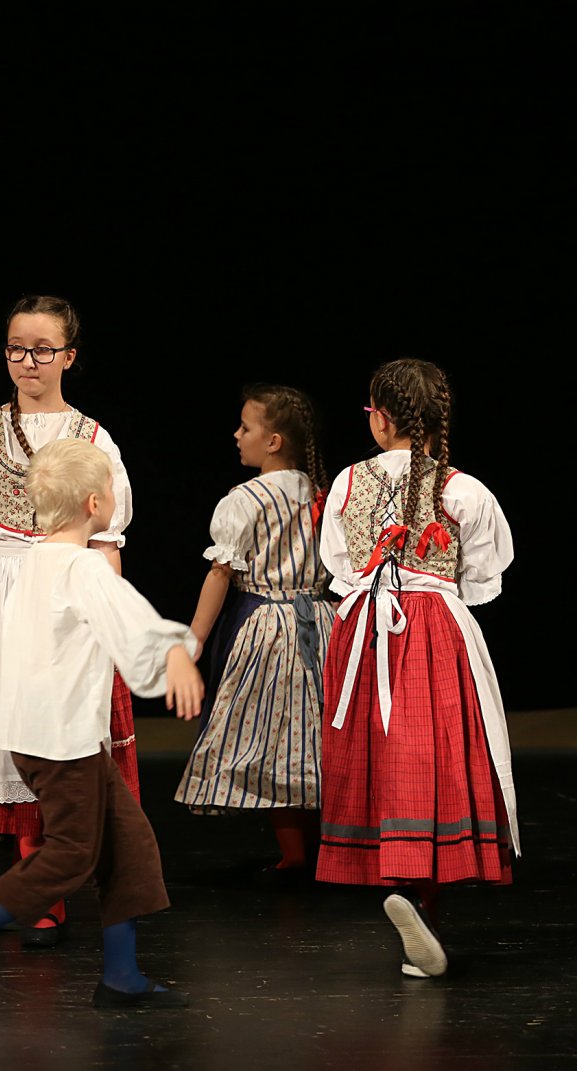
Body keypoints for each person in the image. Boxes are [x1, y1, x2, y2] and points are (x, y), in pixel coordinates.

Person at [0, 438, 201, 1016]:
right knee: (70, 854)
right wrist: (174, 654)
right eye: (111, 490)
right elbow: (128, 618)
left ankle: (121, 975)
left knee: (129, 845)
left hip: (41, 732)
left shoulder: (33, 561)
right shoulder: (81, 567)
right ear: (94, 503)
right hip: (62, 738)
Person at [0, 294, 136, 945]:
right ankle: (35, 886)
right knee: (5, 734)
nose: (28, 361)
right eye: (17, 348)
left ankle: (47, 889)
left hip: (62, 590)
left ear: (69, 356)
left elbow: (106, 541)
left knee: (57, 734)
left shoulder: (93, 439)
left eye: (43, 350)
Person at [315, 358, 514, 979]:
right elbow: (483, 577)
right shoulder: (464, 489)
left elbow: (339, 565)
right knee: (430, 757)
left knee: (382, 756)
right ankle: (425, 898)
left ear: (380, 419)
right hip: (431, 629)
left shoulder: (348, 482)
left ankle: (400, 885)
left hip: (365, 630)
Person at [174, 386, 333, 874]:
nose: (237, 435)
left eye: (246, 427)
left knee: (272, 737)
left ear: (273, 441)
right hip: (323, 624)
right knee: (312, 736)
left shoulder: (245, 499)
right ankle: (318, 851)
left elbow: (220, 573)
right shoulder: (322, 494)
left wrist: (194, 639)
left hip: (268, 628)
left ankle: (296, 853)